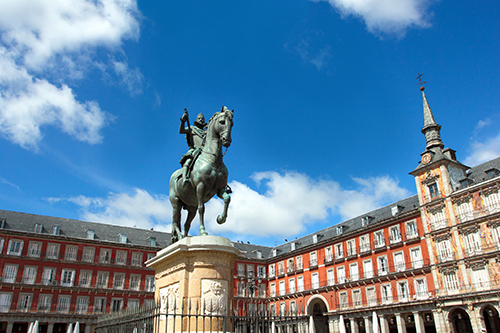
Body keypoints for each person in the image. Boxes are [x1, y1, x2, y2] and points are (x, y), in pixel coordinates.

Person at [179, 109, 207, 183]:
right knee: (189, 161)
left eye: (202, 119)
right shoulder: (192, 128)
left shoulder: (206, 132)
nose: (201, 120)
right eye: (199, 118)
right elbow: (181, 131)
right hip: (195, 149)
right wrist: (183, 120)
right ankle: (185, 177)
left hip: (205, 151)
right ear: (196, 120)